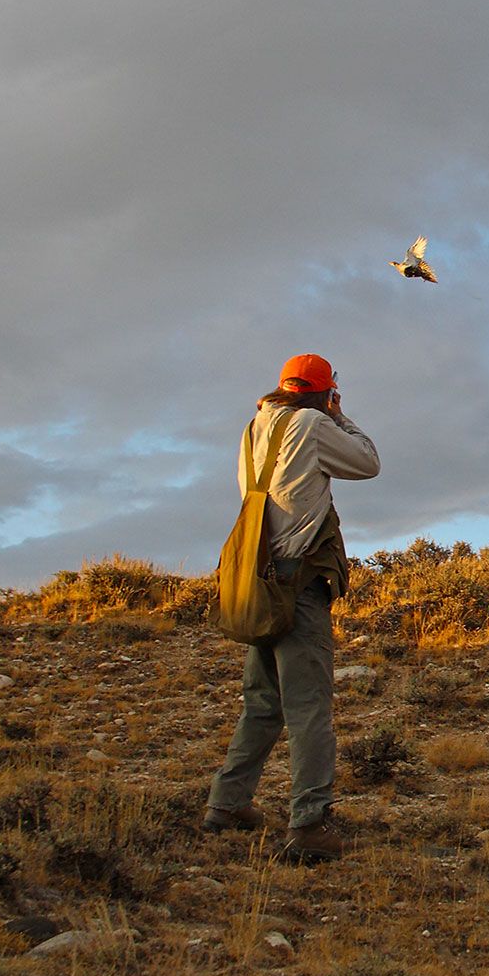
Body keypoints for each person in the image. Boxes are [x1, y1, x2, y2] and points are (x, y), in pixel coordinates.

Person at [204, 353, 380, 861]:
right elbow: (368, 463)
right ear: (323, 393)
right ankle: (309, 827)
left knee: (263, 703)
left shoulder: (253, 426)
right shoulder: (311, 423)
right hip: (297, 584)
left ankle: (227, 804)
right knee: (309, 710)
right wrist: (339, 415)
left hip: (255, 580)